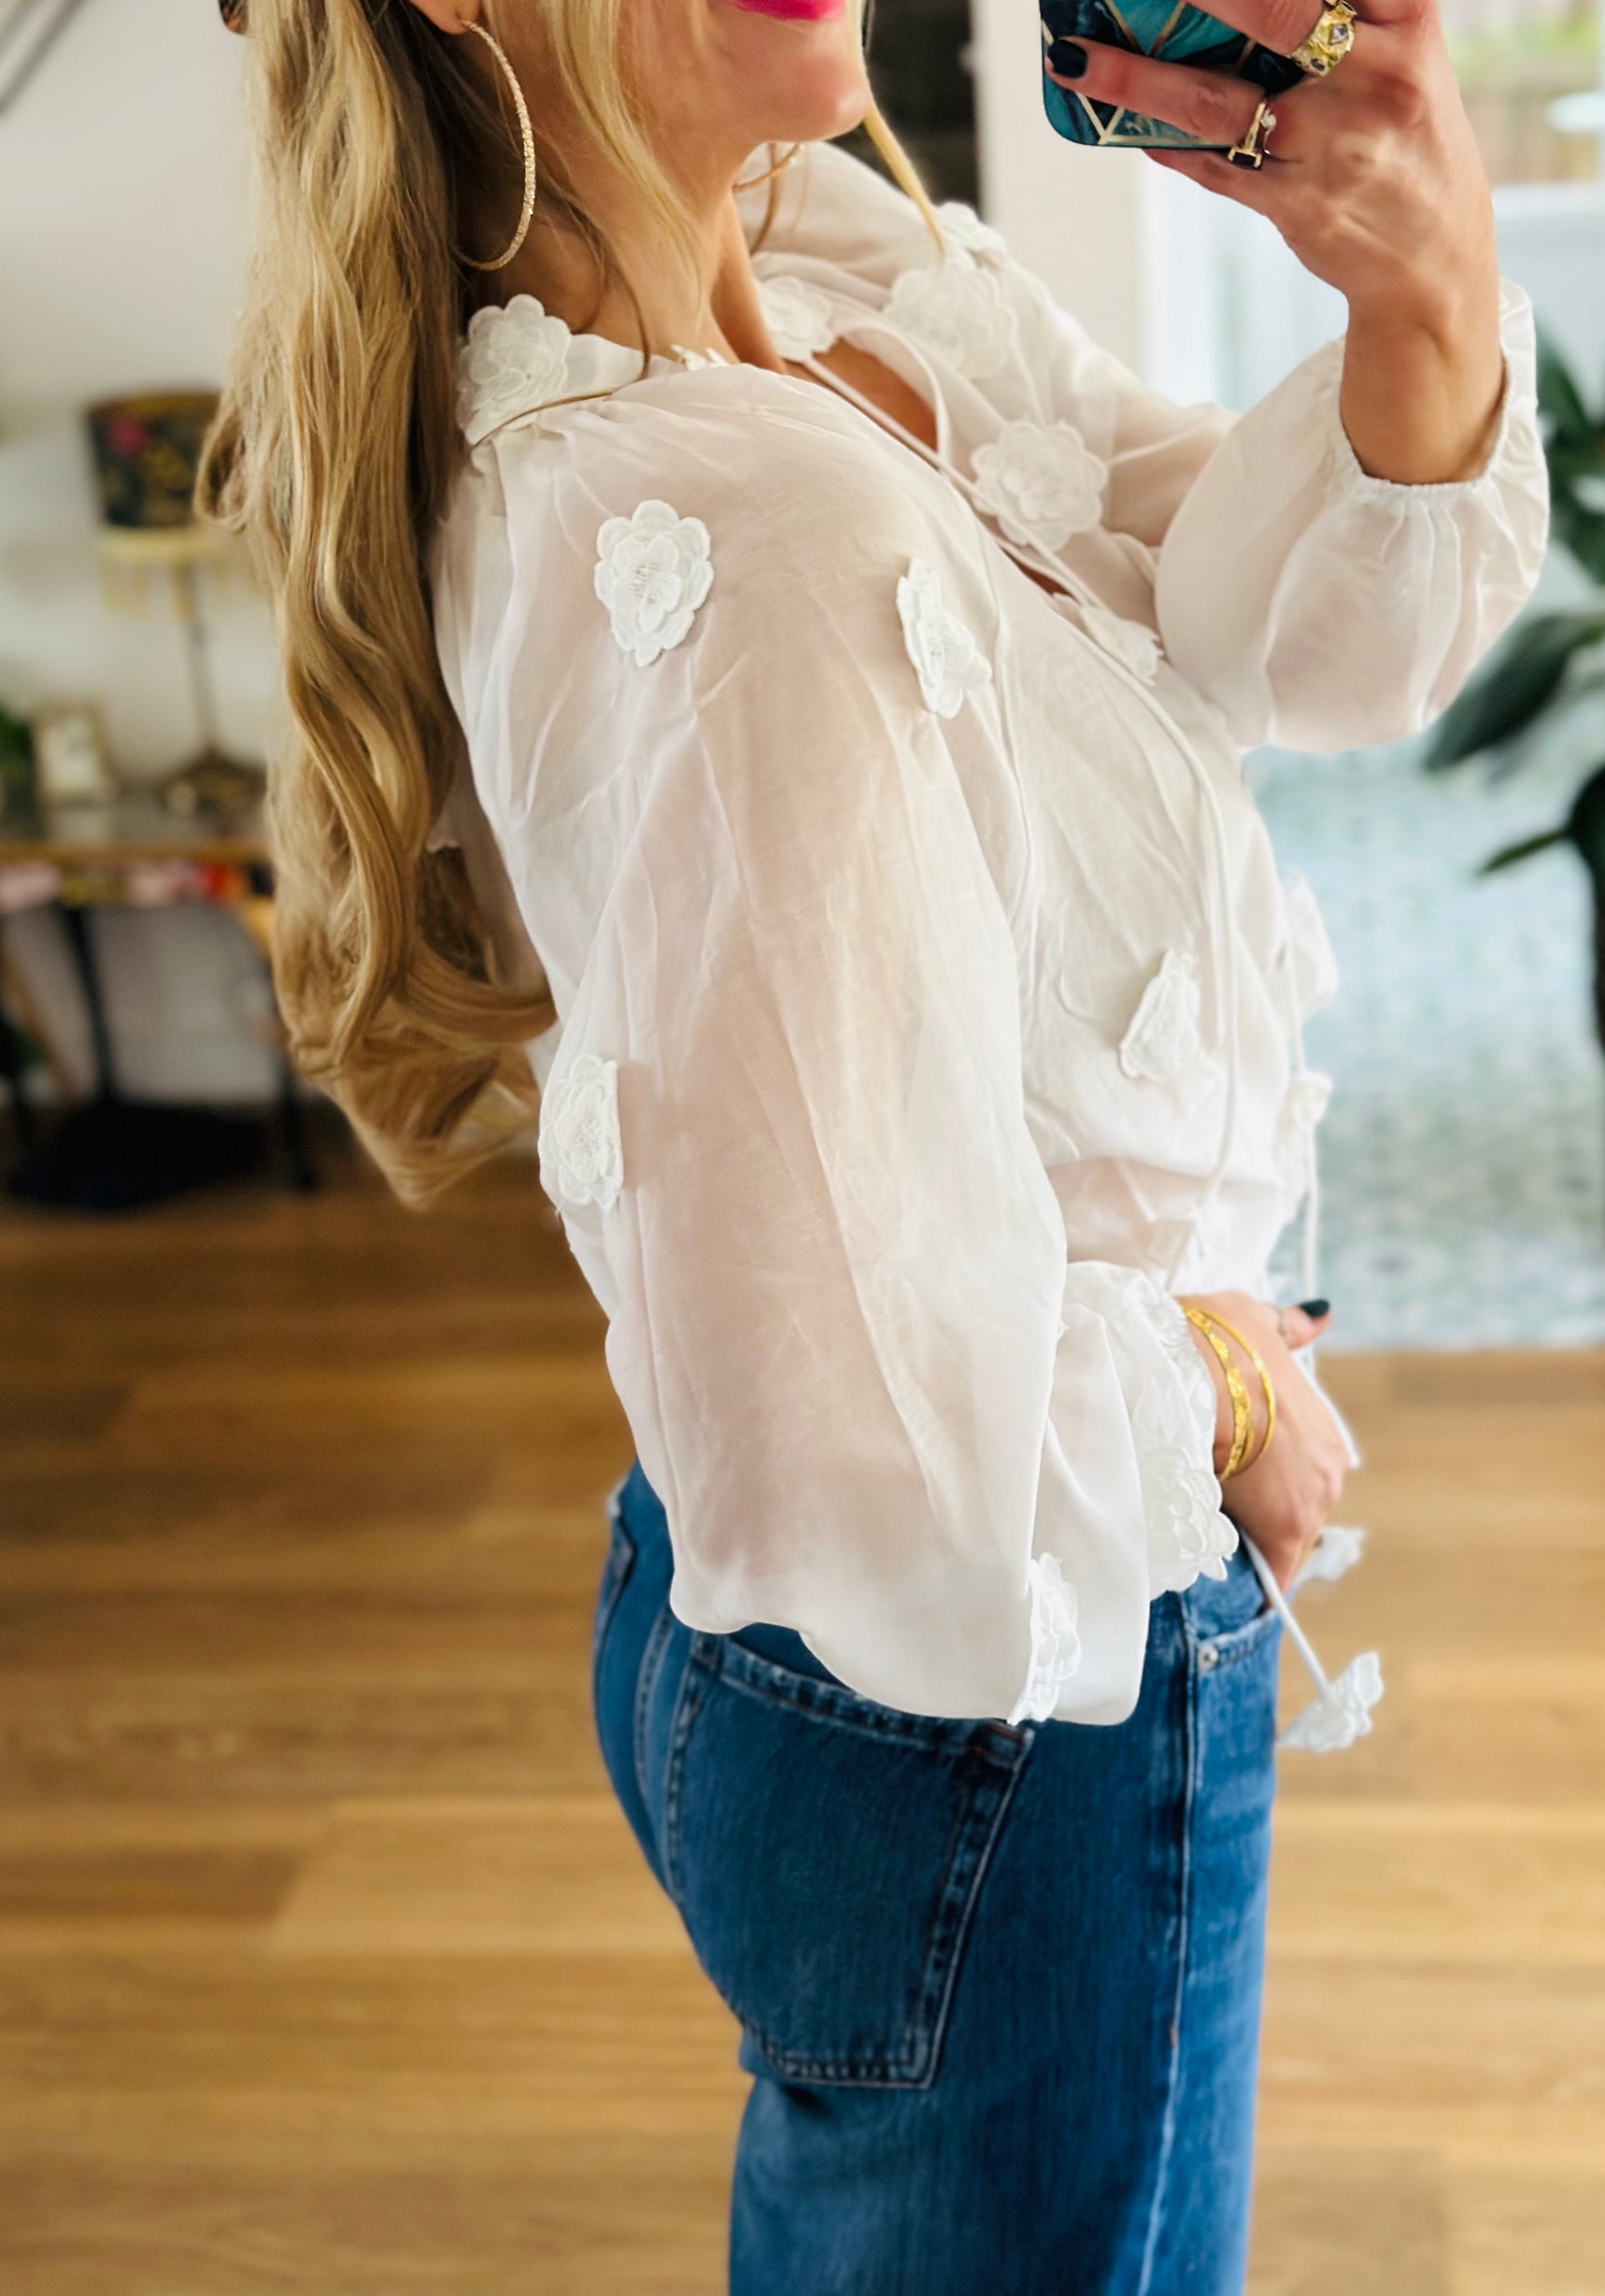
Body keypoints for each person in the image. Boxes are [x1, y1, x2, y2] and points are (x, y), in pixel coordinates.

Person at [204, 1, 1548, 2286]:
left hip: (817, 1642)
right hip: (1001, 1683)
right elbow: (859, 1434)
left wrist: (1416, 286)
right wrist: (1222, 1387)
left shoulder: (823, 264)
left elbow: (1261, 639)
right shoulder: (734, 535)